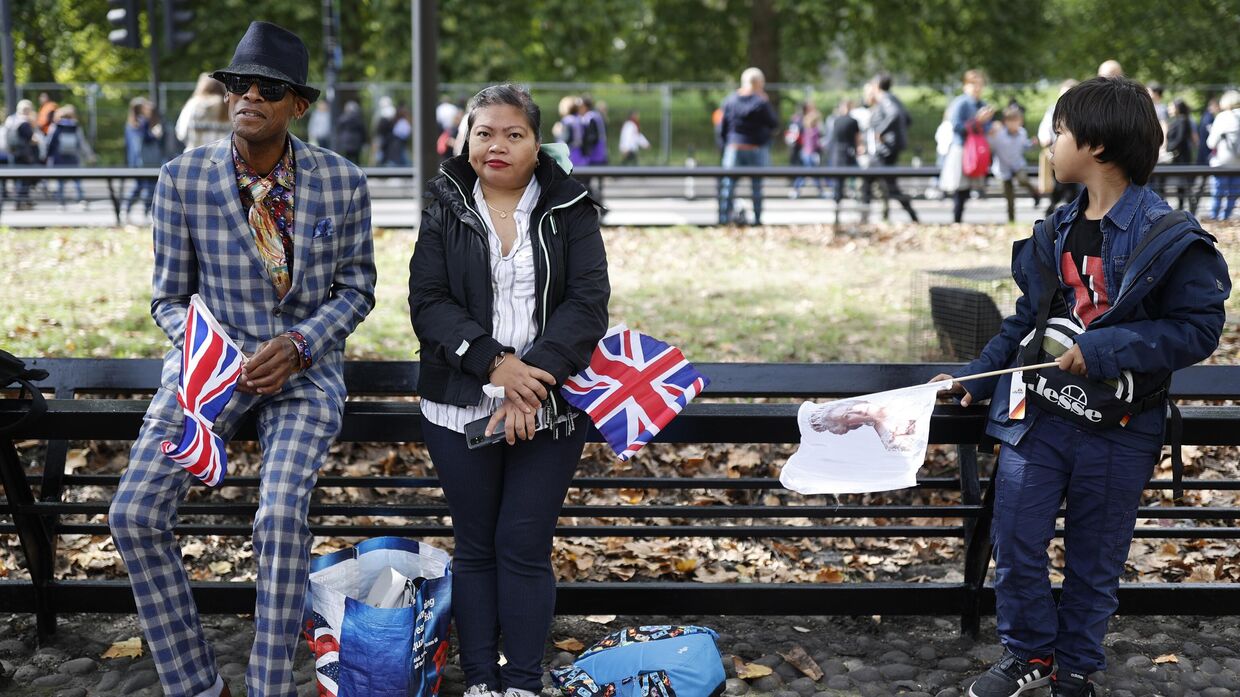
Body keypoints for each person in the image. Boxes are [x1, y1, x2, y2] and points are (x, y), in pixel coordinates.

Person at [933, 77, 1229, 697]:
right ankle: (1029, 657)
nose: (1049, 143)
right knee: (1015, 541)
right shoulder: (1057, 230)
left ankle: (1075, 668)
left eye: (1059, 132)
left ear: (1094, 145)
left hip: (1119, 430)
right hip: (1038, 418)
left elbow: (1198, 329)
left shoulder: (1169, 238)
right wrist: (976, 377)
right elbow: (1025, 322)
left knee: (1095, 559)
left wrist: (1101, 350)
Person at [108, 21, 376, 697]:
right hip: (208, 373)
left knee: (280, 517)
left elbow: (358, 289)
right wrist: (210, 352)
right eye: (238, 85)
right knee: (133, 514)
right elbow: (168, 299)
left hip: (304, 377)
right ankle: (197, 684)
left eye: (269, 88)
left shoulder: (342, 183)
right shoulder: (181, 179)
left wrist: (301, 344)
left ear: (298, 105)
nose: (248, 96)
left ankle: (266, 688)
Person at [408, 83, 609, 697]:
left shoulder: (570, 205)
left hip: (550, 405)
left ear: (536, 142)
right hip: (458, 403)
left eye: (513, 134)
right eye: (485, 132)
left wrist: (532, 382)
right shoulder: (444, 202)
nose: (497, 145)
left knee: (522, 542)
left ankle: (520, 682)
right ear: (466, 138)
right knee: (474, 546)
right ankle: (480, 682)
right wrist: (496, 365)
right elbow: (429, 303)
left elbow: (587, 303)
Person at [717, 67, 779, 225]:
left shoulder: (730, 100)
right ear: (758, 83)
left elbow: (722, 127)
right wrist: (765, 102)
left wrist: (724, 145)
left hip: (734, 147)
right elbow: (774, 124)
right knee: (757, 187)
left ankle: (724, 219)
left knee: (728, 186)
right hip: (756, 148)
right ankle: (757, 220)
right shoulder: (761, 102)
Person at [861, 72, 919, 222]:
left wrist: (881, 131)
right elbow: (907, 119)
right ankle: (873, 216)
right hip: (887, 150)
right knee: (881, 184)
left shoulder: (885, 99)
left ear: (876, 86)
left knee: (885, 186)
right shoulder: (893, 99)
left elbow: (895, 115)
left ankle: (865, 218)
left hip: (884, 151)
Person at [942, 69, 994, 223]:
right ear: (966, 85)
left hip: (977, 150)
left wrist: (990, 125)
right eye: (973, 84)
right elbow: (957, 127)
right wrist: (977, 120)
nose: (977, 88)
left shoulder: (983, 104)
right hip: (963, 149)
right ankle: (956, 220)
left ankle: (959, 220)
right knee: (960, 188)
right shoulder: (961, 103)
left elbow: (986, 128)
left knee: (969, 188)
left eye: (980, 84)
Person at [989, 105, 1039, 223]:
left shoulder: (1022, 133)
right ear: (1006, 122)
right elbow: (990, 147)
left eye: (1017, 121)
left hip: (1017, 164)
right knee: (1009, 195)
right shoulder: (999, 135)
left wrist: (1032, 144)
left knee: (1023, 180)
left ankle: (1035, 192)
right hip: (1003, 167)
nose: (1014, 124)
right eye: (1011, 121)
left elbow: (1024, 146)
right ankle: (1011, 219)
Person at [1038, 79, 1082, 215]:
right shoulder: (1053, 110)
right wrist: (1044, 137)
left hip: (1075, 154)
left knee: (1073, 184)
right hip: (1057, 152)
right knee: (1058, 182)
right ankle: (1053, 206)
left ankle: (1072, 208)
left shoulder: (1081, 112)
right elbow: (1044, 127)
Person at [44, 104, 95, 208]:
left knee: (61, 182)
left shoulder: (56, 127)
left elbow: (49, 143)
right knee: (77, 180)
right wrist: (89, 155)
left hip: (59, 159)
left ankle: (61, 202)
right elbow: (82, 143)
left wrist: (46, 156)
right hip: (73, 158)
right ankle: (80, 199)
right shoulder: (75, 127)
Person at [123, 97, 163, 222]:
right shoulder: (143, 122)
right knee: (149, 187)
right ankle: (147, 212)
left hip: (135, 161)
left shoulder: (131, 123)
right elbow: (146, 139)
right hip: (146, 161)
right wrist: (155, 134)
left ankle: (127, 210)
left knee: (139, 186)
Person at [1206, 90, 1240, 221]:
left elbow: (1211, 143)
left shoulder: (1222, 117)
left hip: (1221, 162)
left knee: (1217, 193)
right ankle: (1226, 218)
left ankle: (1215, 219)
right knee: (1233, 194)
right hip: (1238, 164)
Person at [175, 73, 231, 152]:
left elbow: (181, 132)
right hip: (221, 155)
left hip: (194, 155)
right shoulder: (227, 105)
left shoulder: (193, 104)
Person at [6, 100, 42, 209]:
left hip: (13, 153)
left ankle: (23, 202)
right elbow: (32, 139)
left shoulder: (10, 120)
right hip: (25, 154)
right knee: (25, 179)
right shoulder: (25, 123)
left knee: (17, 178)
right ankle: (21, 202)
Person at [824, 98, 861, 204]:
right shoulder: (853, 121)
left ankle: (837, 203)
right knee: (856, 176)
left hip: (836, 153)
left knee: (838, 181)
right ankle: (856, 197)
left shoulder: (835, 120)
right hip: (848, 152)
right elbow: (857, 138)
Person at [1164, 99, 1196, 210]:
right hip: (1178, 156)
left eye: (1171, 106)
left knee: (1183, 184)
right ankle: (1182, 206)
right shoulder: (1177, 120)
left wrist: (1168, 149)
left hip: (1181, 157)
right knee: (1180, 184)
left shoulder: (1182, 120)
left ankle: (1185, 206)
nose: (1169, 109)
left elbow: (1180, 138)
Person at [790, 106, 827, 199]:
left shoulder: (806, 129)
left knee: (805, 173)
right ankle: (819, 191)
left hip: (804, 153)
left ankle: (796, 190)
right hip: (810, 154)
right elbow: (815, 144)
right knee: (813, 174)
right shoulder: (814, 131)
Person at [335, 100, 367, 164]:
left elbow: (338, 128)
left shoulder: (343, 118)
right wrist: (364, 141)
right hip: (357, 141)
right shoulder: (359, 118)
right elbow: (363, 130)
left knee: (347, 159)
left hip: (346, 141)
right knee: (357, 159)